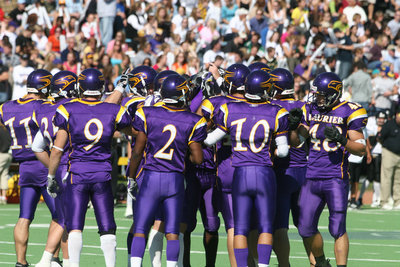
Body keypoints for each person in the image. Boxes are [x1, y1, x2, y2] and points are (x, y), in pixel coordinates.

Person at [47, 68, 134, 267]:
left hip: (77, 174)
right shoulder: (112, 110)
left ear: (80, 87)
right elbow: (119, 119)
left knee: (75, 226)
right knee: (107, 227)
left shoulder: (68, 109)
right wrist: (121, 89)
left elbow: (58, 149)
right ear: (101, 87)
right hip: (102, 175)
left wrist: (51, 176)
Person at [204, 70, 290, 267]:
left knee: (240, 228)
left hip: (240, 173)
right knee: (266, 227)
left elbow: (209, 140)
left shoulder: (229, 109)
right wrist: (273, 152)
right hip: (264, 173)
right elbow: (284, 151)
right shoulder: (277, 111)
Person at [127, 74, 206, 267]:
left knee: (140, 227)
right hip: (175, 179)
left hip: (151, 177)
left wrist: (131, 176)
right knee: (172, 231)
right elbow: (198, 158)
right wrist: (182, 152)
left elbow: (137, 151)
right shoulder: (193, 120)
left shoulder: (147, 113)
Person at [294, 72, 367, 267]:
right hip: (312, 176)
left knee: (337, 228)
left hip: (335, 176)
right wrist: (294, 127)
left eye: (321, 95)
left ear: (334, 94)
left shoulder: (348, 111)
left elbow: (360, 149)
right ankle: (320, 262)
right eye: (316, 94)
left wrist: (342, 139)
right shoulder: (310, 109)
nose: (317, 98)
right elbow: (297, 142)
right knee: (305, 227)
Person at [0, 69, 58, 267]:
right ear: (44, 87)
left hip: (24, 166)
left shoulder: (6, 107)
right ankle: (53, 259)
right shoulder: (44, 106)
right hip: (44, 163)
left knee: (24, 216)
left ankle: (20, 262)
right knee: (61, 216)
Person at [200, 63, 250, 267]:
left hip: (227, 165)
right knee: (254, 225)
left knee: (233, 227)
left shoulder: (215, 103)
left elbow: (201, 131)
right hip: (256, 166)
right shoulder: (262, 103)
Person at [32, 71, 78, 267]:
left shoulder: (43, 109)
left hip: (58, 167)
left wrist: (52, 167)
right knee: (66, 219)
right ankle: (51, 261)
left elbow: (36, 147)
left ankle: (52, 261)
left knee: (61, 218)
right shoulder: (70, 108)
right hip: (69, 165)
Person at [268, 68, 308, 267]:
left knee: (279, 227)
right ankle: (315, 261)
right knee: (307, 227)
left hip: (281, 171)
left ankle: (284, 264)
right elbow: (305, 136)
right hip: (304, 169)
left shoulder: (271, 106)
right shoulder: (304, 106)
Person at [378, 106, 400, 210]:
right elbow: (380, 137)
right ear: (396, 115)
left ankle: (398, 201)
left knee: (398, 180)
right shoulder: (389, 125)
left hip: (399, 155)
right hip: (389, 153)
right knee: (386, 178)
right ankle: (384, 201)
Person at [0, 125, 11, 204]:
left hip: (1, 154)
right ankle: (3, 197)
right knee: (4, 175)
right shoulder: (7, 129)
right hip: (9, 154)